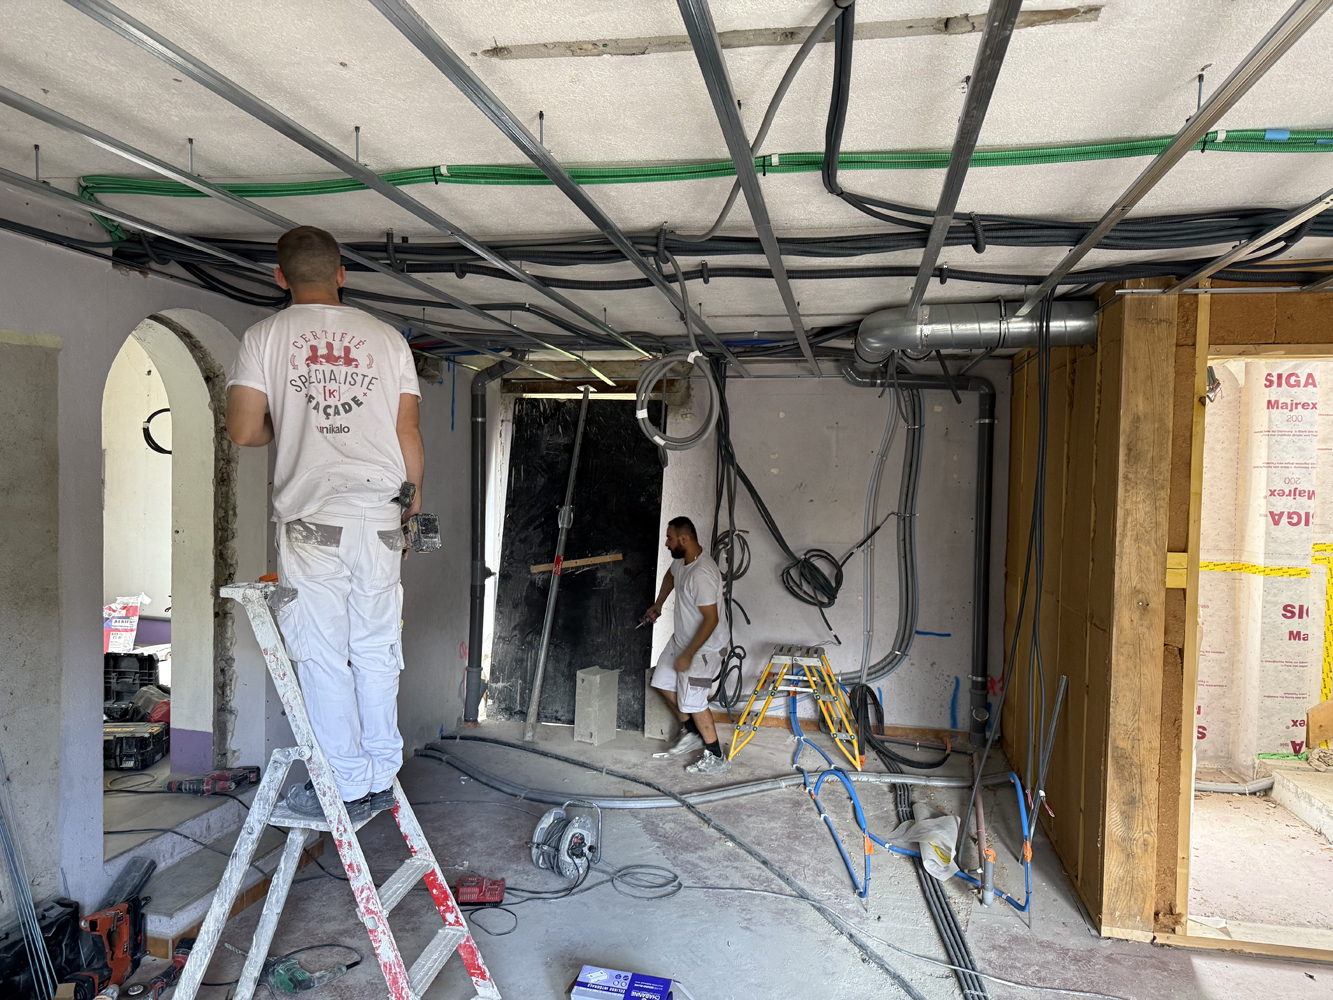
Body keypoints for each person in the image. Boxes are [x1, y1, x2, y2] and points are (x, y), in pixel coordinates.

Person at [226, 226, 424, 821]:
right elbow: (407, 432)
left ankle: (345, 781)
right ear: (341, 274)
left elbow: (244, 430)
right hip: (382, 514)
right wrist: (411, 510)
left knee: (321, 652)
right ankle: (382, 769)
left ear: (280, 277)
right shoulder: (388, 339)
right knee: (376, 647)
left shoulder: (264, 336)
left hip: (314, 521)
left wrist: (289, 425)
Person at [644, 516, 731, 775]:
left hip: (705, 650)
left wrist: (689, 654)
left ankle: (716, 756)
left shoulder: (701, 574)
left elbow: (712, 620)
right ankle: (692, 733)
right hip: (682, 640)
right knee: (662, 681)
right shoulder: (682, 561)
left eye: (670, 538)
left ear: (684, 539)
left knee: (694, 702)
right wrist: (659, 603)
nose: (667, 543)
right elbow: (671, 576)